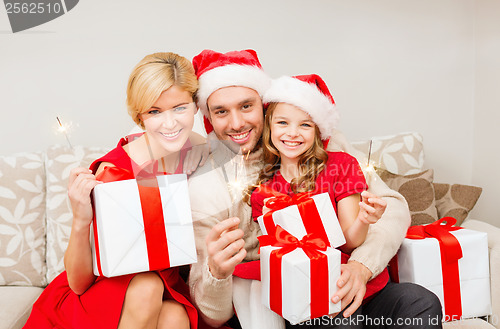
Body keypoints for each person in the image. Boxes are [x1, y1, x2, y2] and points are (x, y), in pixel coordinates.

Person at [187, 49, 442, 329]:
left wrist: (362, 266)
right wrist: (217, 272)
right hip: (292, 300)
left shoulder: (326, 149)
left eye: (246, 106)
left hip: (352, 280)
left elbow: (393, 208)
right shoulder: (207, 188)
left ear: (264, 106)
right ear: (209, 117)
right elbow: (212, 314)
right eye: (221, 112)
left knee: (419, 301)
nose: (236, 123)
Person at [24, 52, 208, 329]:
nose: (170, 124)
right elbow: (78, 283)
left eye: (179, 108)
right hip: (104, 292)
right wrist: (80, 218)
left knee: (176, 316)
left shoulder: (202, 151)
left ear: (195, 106)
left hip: (165, 287)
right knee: (147, 285)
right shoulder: (115, 173)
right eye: (155, 112)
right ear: (140, 116)